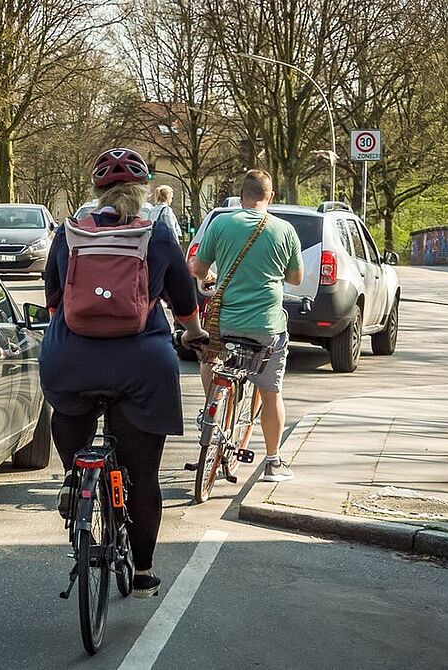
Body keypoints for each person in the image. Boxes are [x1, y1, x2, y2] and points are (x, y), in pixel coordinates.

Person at [40, 148, 207, 599]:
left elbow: (54, 299)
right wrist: (193, 334)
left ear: (96, 191)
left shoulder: (69, 234)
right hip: (142, 366)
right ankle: (143, 571)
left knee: (69, 411)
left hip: (70, 360)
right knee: (143, 475)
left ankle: (75, 478)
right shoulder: (156, 235)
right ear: (144, 190)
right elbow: (186, 301)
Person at [189, 169, 303, 483]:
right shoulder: (284, 230)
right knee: (270, 392)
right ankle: (273, 462)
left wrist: (211, 277)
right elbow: (295, 278)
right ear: (271, 198)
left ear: (242, 196)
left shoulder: (221, 222)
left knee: (210, 358)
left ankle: (212, 408)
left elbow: (197, 268)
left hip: (225, 322)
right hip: (267, 325)